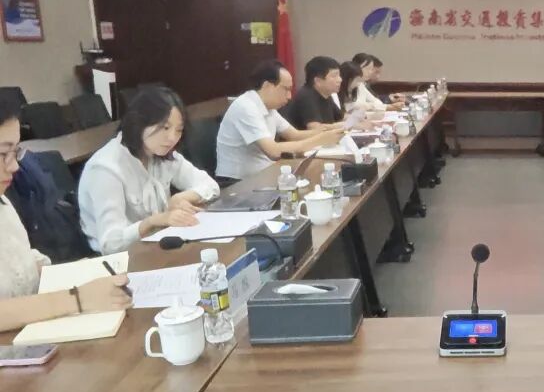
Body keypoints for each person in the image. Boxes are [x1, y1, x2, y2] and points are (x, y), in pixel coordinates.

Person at [0, 96, 131, 332]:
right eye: (3, 154)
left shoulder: (4, 205)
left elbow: (23, 265)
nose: (15, 166)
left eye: (15, 152)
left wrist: (77, 274)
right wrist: (78, 298)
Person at [79, 88, 220, 254]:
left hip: (157, 246)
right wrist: (152, 222)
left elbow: (211, 186)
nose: (172, 138)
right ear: (139, 123)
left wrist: (181, 197)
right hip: (121, 259)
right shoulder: (105, 169)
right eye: (165, 128)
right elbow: (110, 244)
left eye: (178, 130)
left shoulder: (162, 154)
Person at [216, 60, 342, 181]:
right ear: (267, 86)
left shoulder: (269, 107)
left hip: (263, 173)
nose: (289, 96)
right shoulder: (246, 107)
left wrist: (330, 132)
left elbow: (294, 135)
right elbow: (273, 151)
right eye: (286, 89)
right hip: (237, 182)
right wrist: (320, 139)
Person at [282, 56, 343, 130]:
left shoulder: (326, 95)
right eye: (334, 76)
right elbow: (315, 128)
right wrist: (341, 125)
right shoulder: (306, 96)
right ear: (318, 81)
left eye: (339, 75)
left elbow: (341, 118)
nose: (340, 80)